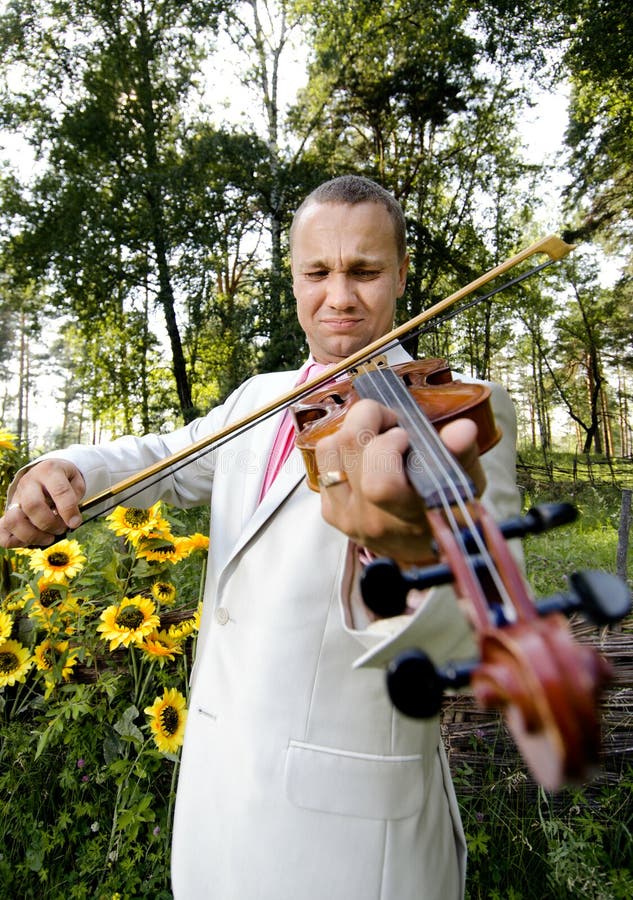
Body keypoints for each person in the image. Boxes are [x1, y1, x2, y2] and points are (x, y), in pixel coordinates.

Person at [0, 176, 521, 899]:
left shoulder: (459, 414)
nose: (338, 296)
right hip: (219, 808)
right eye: (318, 272)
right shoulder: (258, 398)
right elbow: (165, 456)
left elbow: (481, 621)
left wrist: (409, 556)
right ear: (294, 279)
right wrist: (66, 468)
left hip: (349, 837)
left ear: (402, 274)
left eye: (364, 271)